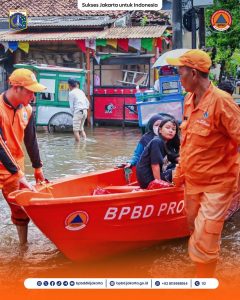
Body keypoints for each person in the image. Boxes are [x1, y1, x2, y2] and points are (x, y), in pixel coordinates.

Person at [166, 49, 240, 277]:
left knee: (205, 237)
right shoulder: (189, 100)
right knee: (194, 230)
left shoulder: (222, 102)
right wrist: (179, 174)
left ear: (194, 74)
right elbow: (188, 142)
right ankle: (203, 271)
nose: (179, 78)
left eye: (181, 73)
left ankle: (204, 283)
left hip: (218, 184)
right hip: (193, 182)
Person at [0, 68, 46, 245]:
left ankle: (22, 247)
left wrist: (37, 167)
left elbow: (31, 140)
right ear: (16, 87)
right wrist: (19, 174)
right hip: (12, 167)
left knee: (20, 208)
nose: (32, 97)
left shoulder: (27, 109)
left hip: (14, 167)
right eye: (30, 91)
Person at [136, 118, 179, 189]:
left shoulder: (168, 144)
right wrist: (159, 183)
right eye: (167, 127)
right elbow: (155, 165)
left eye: (173, 129)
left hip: (158, 175)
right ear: (160, 130)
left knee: (180, 166)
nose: (171, 131)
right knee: (179, 171)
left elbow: (177, 159)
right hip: (149, 180)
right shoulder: (156, 142)